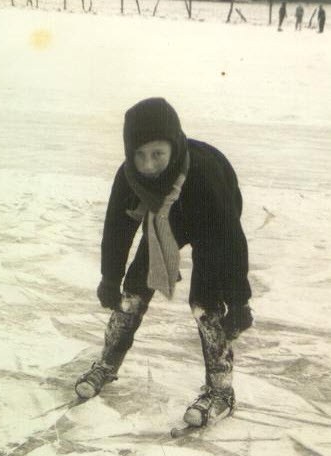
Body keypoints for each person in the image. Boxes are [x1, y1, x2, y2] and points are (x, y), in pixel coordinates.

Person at [75, 98, 253, 428]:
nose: (150, 164)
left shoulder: (204, 174)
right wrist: (110, 278)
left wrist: (239, 299)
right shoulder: (130, 176)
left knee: (205, 303)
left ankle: (221, 391)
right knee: (132, 291)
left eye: (158, 153)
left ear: (173, 145)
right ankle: (107, 364)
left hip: (211, 221)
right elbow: (117, 228)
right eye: (140, 155)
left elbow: (231, 239)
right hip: (165, 218)